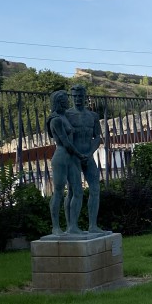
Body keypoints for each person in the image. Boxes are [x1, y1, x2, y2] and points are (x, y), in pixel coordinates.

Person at [46, 90, 86, 235]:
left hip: (71, 158)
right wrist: (80, 155)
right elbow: (66, 143)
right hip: (62, 157)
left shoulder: (65, 116)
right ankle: (55, 226)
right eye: (65, 101)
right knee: (58, 192)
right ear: (58, 102)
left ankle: (72, 226)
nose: (68, 103)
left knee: (78, 191)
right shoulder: (55, 119)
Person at [65, 84, 104, 232]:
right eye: (74, 96)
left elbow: (97, 137)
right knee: (72, 191)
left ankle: (93, 225)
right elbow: (64, 138)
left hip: (88, 156)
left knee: (95, 189)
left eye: (80, 96)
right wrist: (77, 154)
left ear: (84, 97)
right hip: (73, 157)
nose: (77, 99)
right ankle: (71, 226)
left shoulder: (92, 116)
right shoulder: (67, 115)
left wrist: (89, 153)